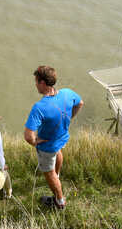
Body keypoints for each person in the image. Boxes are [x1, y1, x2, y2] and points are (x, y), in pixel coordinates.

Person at [24, 65, 83, 210]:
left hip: (47, 145)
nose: (35, 84)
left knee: (49, 174)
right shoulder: (67, 93)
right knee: (58, 152)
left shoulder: (39, 107)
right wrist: (69, 118)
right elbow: (80, 103)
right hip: (61, 138)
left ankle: (59, 201)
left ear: (42, 83)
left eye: (36, 81)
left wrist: (36, 142)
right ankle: (57, 176)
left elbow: (28, 136)